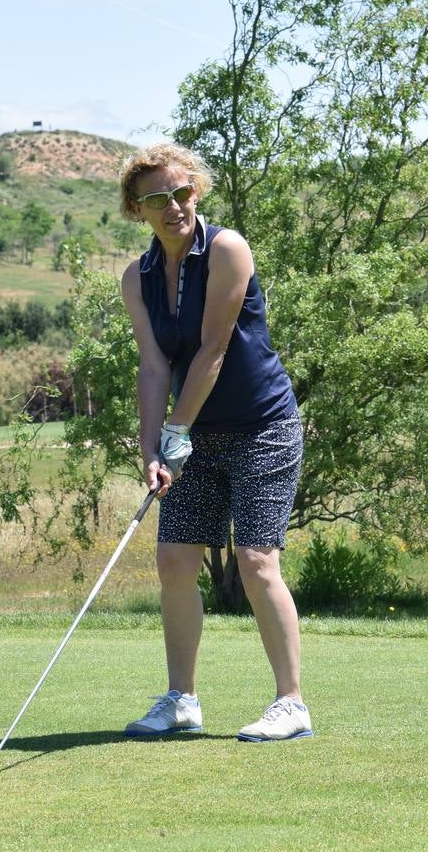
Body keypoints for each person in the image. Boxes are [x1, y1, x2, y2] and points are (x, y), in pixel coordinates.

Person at [117, 143, 311, 742]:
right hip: (192, 434)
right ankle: (181, 700)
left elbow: (213, 349)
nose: (172, 206)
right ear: (137, 209)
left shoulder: (227, 249)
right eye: (156, 198)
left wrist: (176, 431)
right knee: (174, 559)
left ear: (196, 191)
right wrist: (152, 449)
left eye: (181, 192)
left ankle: (291, 703)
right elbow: (153, 366)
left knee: (256, 561)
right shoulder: (138, 277)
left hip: (261, 427)